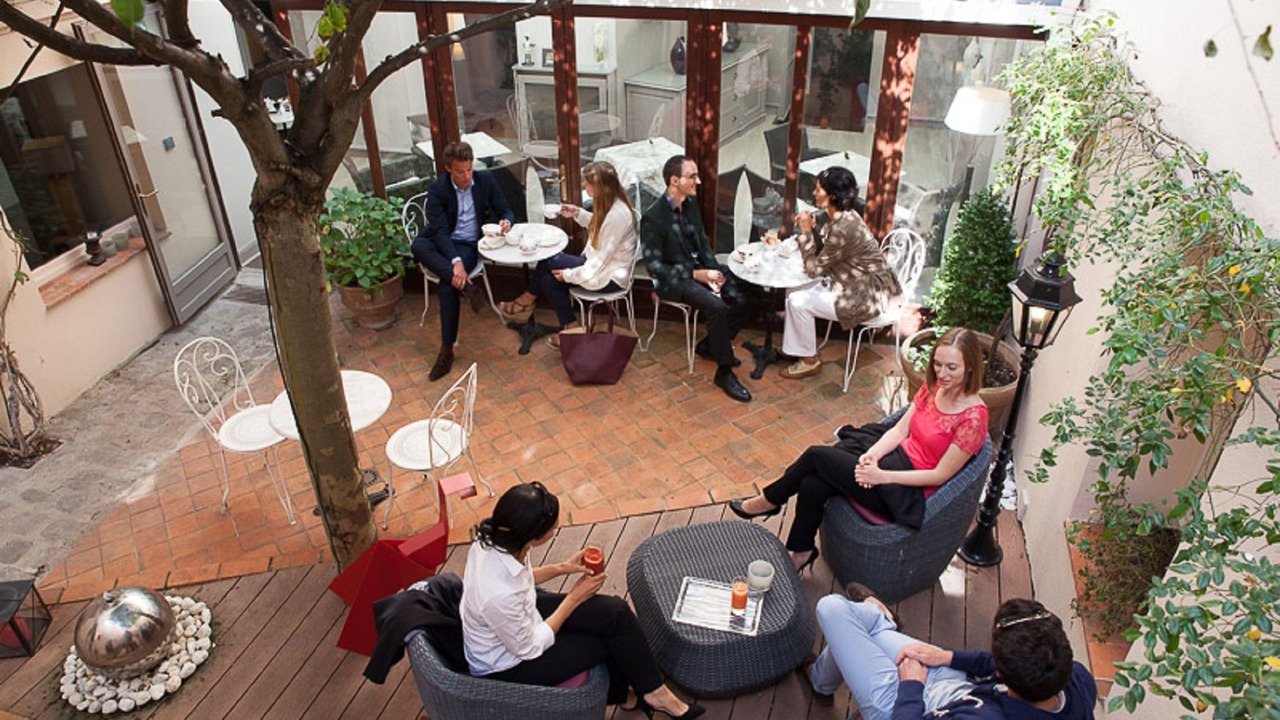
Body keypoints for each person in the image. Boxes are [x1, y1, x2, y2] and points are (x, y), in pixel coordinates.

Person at [728, 327, 989, 571]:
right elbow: (899, 431)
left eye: (952, 367)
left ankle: (770, 500)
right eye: (938, 364)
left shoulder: (973, 418)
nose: (942, 373)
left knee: (816, 456)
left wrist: (881, 476)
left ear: (970, 367)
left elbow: (940, 475)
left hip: (907, 489)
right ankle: (801, 551)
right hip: (892, 458)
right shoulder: (934, 387)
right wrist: (873, 454)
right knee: (812, 484)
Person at [461, 482, 705, 720]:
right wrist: (574, 598)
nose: (555, 528)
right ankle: (628, 697)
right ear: (531, 537)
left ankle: (653, 692)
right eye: (552, 527)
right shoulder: (497, 595)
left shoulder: (494, 541)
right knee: (607, 641)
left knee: (614, 612)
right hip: (511, 664)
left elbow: (519, 580)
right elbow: (529, 647)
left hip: (522, 615)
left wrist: (562, 567)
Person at [803, 593, 1097, 720]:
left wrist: (911, 685)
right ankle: (823, 678)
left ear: (1001, 674)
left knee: (834, 610)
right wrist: (947, 657)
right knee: (861, 630)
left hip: (904, 708)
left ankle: (877, 616)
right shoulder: (1075, 676)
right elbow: (1006, 664)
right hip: (958, 688)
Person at [641, 155, 757, 402]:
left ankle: (709, 346)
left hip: (701, 270)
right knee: (716, 307)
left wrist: (713, 272)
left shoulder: (690, 203)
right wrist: (696, 274)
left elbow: (702, 243)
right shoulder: (653, 218)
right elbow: (654, 267)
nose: (699, 181)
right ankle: (724, 372)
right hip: (674, 280)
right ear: (674, 180)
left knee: (748, 294)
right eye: (692, 176)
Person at [497, 161, 638, 348]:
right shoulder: (610, 203)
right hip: (596, 264)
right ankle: (571, 328)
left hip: (609, 276)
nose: (584, 186)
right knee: (548, 280)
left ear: (599, 187)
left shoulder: (616, 216)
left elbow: (600, 262)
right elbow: (599, 226)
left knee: (549, 260)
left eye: (587, 183)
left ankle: (526, 303)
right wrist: (578, 213)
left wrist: (569, 275)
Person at [780, 166, 901, 380]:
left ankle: (809, 361)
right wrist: (813, 232)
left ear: (833, 196)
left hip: (866, 297)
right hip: (854, 284)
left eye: (818, 189)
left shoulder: (844, 228)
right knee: (793, 289)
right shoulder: (843, 216)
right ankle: (798, 348)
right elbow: (827, 255)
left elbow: (814, 270)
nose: (814, 193)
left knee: (798, 302)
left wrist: (806, 232)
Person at [412, 141, 515, 382]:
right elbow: (439, 231)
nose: (467, 176)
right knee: (418, 245)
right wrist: (455, 262)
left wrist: (507, 222)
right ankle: (467, 287)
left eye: (469, 169)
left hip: (468, 244)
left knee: (448, 286)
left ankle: (446, 351)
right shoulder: (438, 189)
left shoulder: (484, 180)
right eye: (460, 171)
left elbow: (506, 210)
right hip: (443, 241)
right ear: (448, 168)